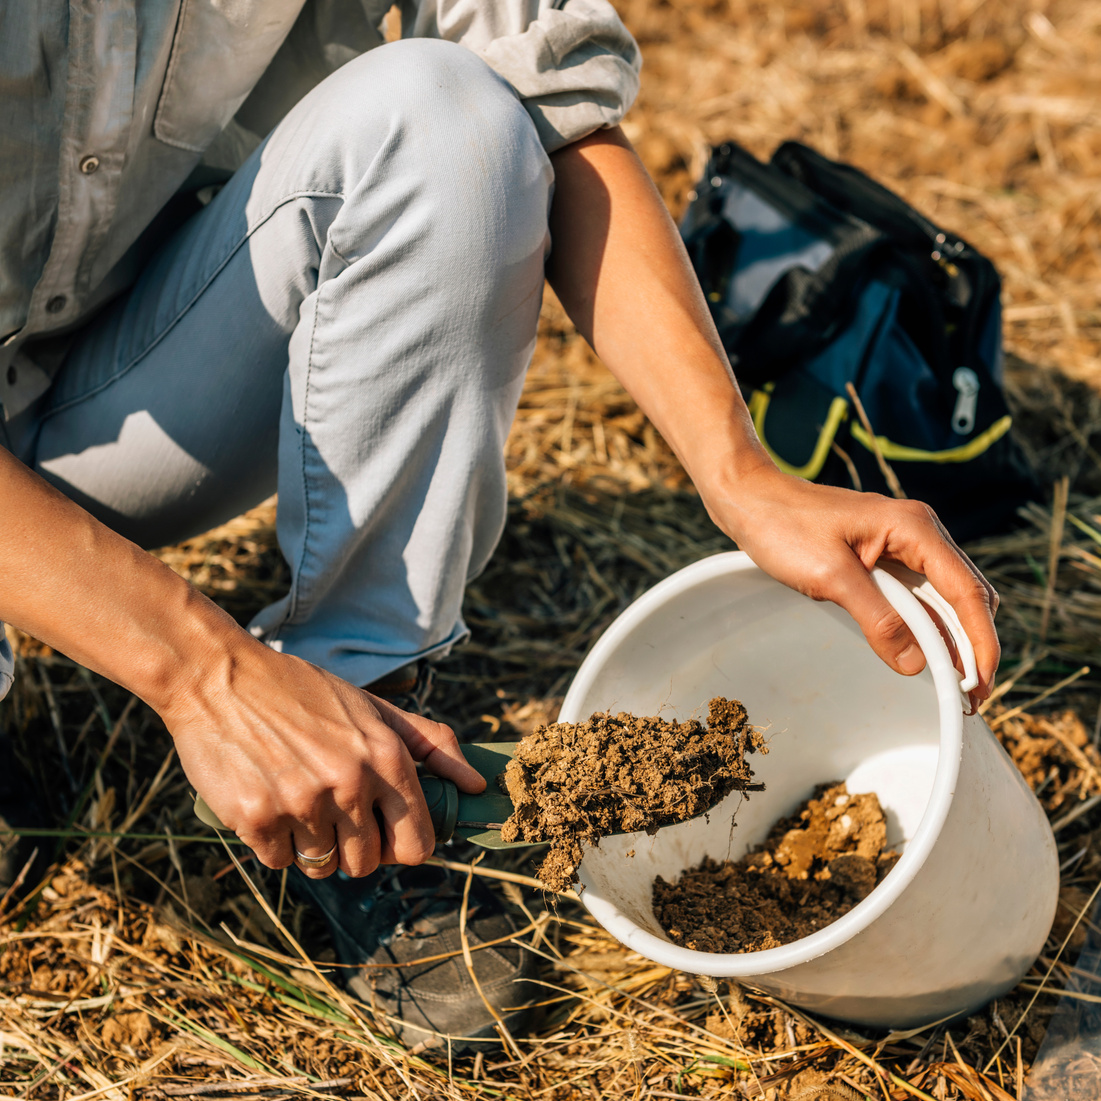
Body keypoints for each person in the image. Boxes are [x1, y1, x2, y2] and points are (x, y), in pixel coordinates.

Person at [0, 0, 998, 1051]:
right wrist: (207, 673)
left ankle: (358, 736)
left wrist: (740, 472)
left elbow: (547, 100)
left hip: (126, 376)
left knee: (442, 114)